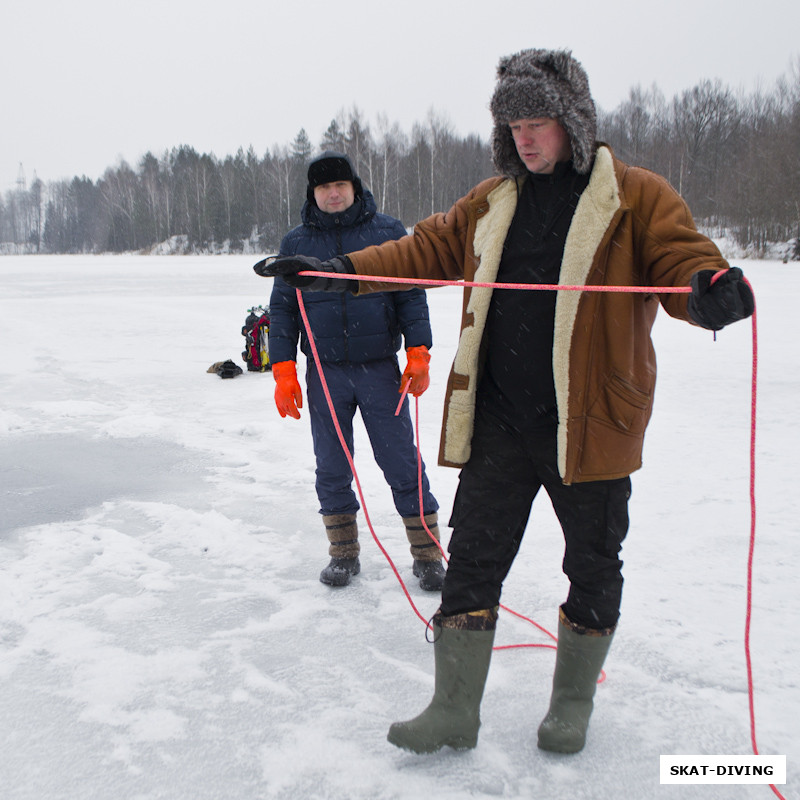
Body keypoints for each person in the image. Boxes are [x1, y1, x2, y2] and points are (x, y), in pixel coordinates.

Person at [257, 51, 755, 754]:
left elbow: (681, 259)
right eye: (514, 124)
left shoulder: (635, 196)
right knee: (473, 561)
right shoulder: (495, 198)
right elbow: (425, 248)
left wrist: (707, 290)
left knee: (592, 560)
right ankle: (453, 708)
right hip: (501, 423)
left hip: (590, 425)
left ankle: (572, 705)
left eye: (538, 122)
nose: (525, 137)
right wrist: (338, 273)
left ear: (572, 123)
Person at [266, 151, 444, 591]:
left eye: (339, 185)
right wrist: (284, 367)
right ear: (313, 193)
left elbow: (410, 294)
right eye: (323, 188)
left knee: (401, 460)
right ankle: (343, 554)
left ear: (354, 186)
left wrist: (419, 351)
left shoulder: (385, 231)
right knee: (331, 464)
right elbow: (283, 310)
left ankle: (427, 556)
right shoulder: (296, 242)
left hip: (379, 368)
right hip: (324, 372)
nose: (332, 193)